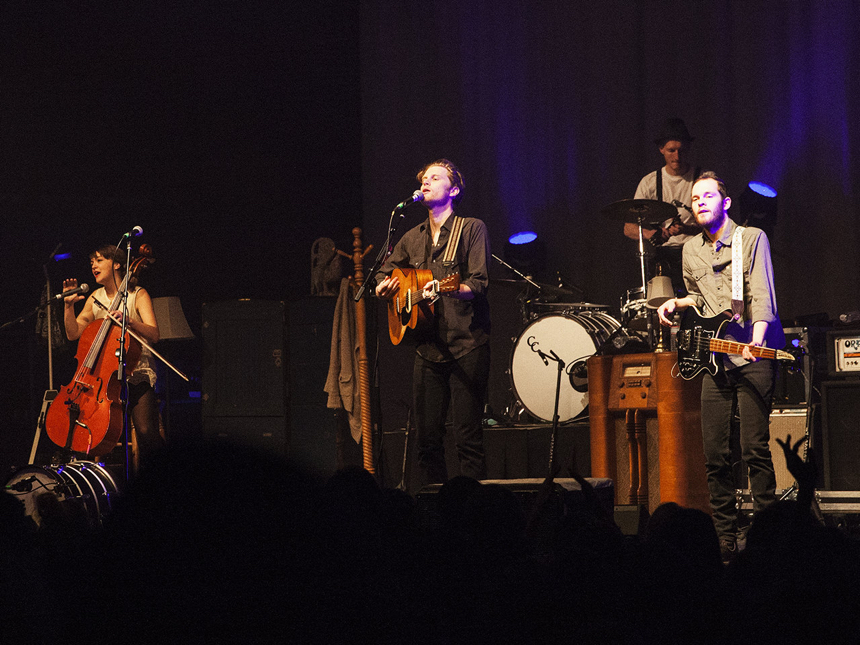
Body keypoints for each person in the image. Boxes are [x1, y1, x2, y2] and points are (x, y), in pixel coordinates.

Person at [657, 171, 784, 563]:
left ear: (725, 202)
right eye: (695, 198)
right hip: (715, 359)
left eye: (708, 196)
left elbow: (761, 295)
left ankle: (767, 537)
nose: (700, 203)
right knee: (714, 453)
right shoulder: (690, 250)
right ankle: (724, 539)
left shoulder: (751, 238)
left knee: (753, 449)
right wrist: (677, 304)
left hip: (752, 353)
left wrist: (758, 338)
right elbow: (699, 299)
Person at [375, 159, 490, 485]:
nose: (426, 182)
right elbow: (385, 274)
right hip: (427, 349)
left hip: (467, 344)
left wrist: (444, 288)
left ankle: (476, 514)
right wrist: (385, 288)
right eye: (423, 178)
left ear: (453, 190)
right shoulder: (411, 237)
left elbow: (478, 284)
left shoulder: (471, 228)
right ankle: (433, 512)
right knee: (427, 443)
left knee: (467, 440)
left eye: (435, 177)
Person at [62, 245, 163, 464]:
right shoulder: (95, 297)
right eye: (91, 263)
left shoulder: (137, 294)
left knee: (146, 431)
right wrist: (68, 307)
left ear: (116, 263)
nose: (93, 266)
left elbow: (154, 333)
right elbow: (73, 333)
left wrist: (129, 322)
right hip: (104, 379)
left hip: (136, 372)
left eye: (98, 260)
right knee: (90, 430)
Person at [625, 118, 702, 294]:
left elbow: (718, 225)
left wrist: (686, 230)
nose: (676, 156)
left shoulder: (703, 179)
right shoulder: (650, 182)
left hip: (697, 253)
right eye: (671, 150)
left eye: (681, 151)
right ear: (661, 150)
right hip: (664, 257)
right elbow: (628, 228)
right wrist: (653, 234)